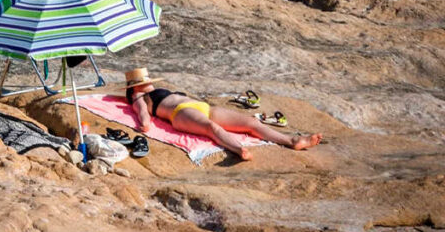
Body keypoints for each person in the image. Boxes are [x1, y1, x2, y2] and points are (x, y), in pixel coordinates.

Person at [122, 68, 322, 161]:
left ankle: (292, 140)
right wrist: (145, 126)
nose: (150, 82)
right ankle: (238, 149)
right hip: (180, 113)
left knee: (251, 123)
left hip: (205, 108)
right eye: (145, 81)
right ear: (135, 87)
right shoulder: (140, 98)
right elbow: (143, 117)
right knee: (211, 129)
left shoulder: (149, 93)